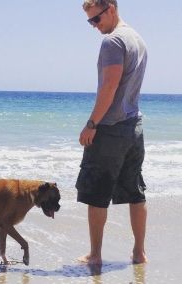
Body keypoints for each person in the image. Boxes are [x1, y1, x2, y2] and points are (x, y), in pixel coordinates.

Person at [76, 0, 148, 265]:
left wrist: (91, 123)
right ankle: (139, 253)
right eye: (90, 22)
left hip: (111, 128)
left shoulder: (113, 42)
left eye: (96, 19)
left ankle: (95, 255)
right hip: (134, 126)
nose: (95, 26)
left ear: (112, 9)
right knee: (135, 191)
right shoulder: (137, 38)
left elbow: (109, 87)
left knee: (96, 193)